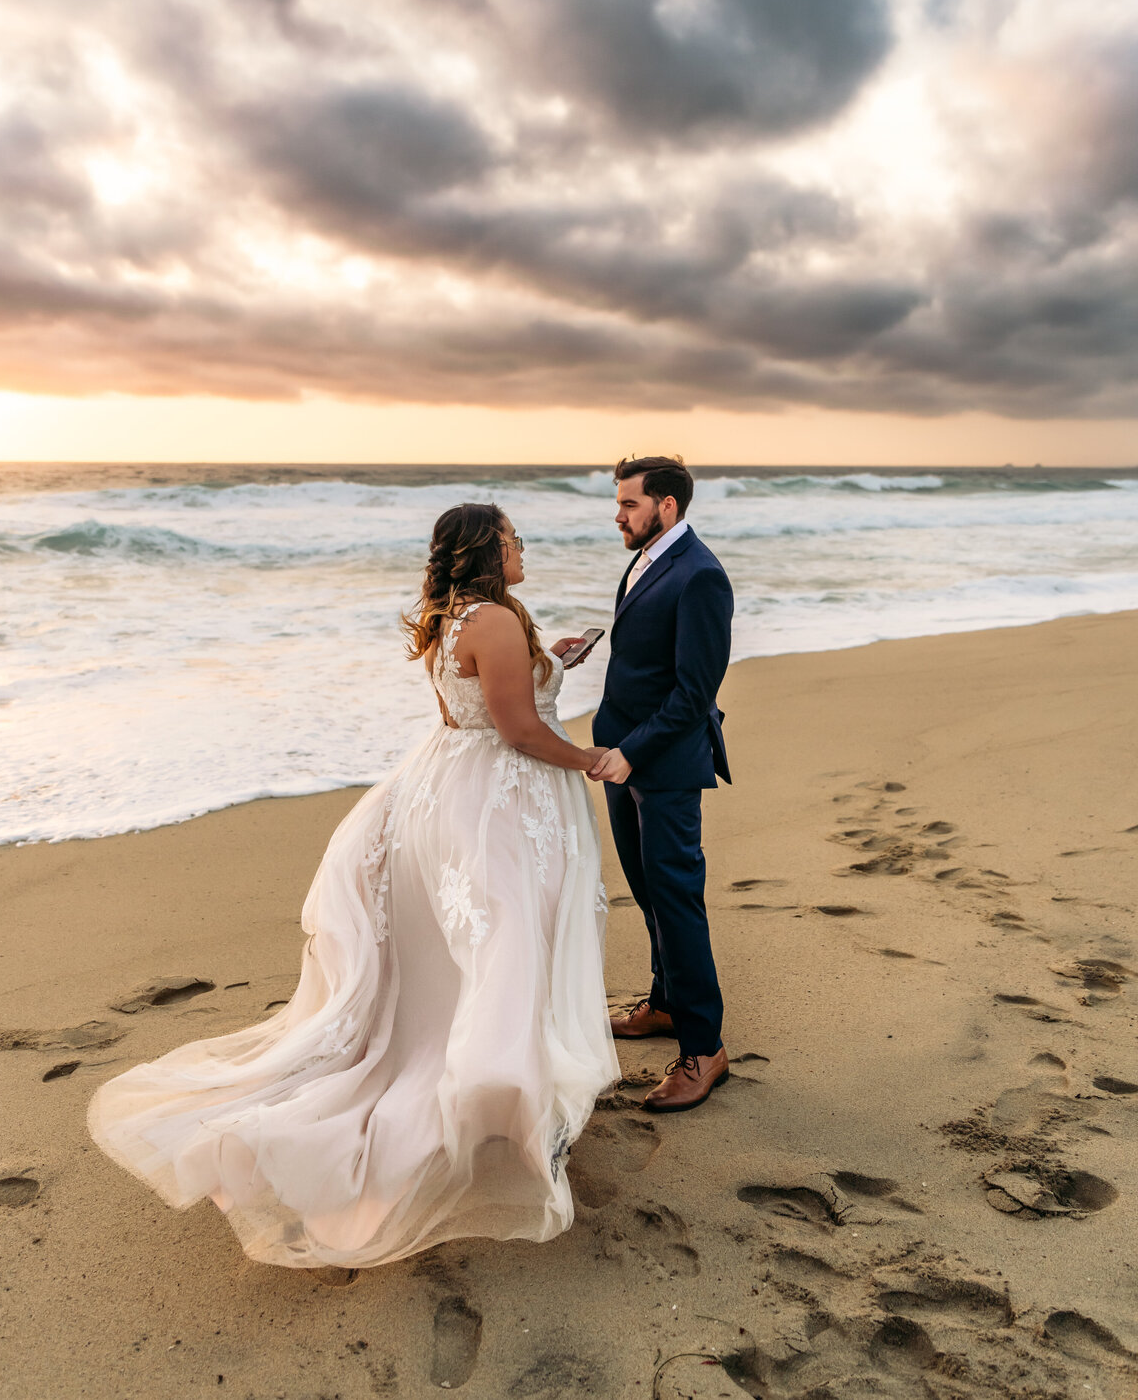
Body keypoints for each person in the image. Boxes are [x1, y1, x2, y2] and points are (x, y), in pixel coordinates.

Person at [88, 504, 618, 1269]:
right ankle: (504, 1103)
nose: (522, 548)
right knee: (511, 941)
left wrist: (553, 663)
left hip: (450, 789)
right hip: (500, 799)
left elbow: (460, 710)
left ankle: (507, 1095)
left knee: (481, 947)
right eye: (512, 540)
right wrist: (594, 759)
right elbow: (517, 732)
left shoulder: (454, 618)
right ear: (484, 551)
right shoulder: (498, 622)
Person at [588, 455, 734, 1113]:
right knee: (648, 891)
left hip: (665, 766)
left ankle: (704, 1048)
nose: (618, 514)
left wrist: (632, 753)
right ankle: (667, 1003)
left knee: (677, 899)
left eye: (628, 504)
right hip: (624, 756)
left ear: (666, 506)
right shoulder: (647, 558)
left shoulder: (701, 577)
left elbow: (695, 693)